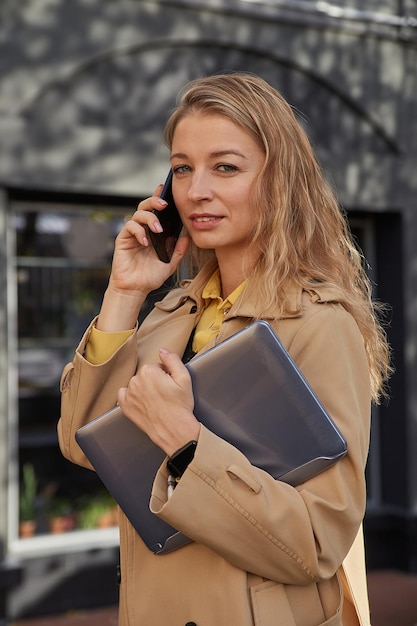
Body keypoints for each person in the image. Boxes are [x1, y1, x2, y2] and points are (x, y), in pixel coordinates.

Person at [58, 72, 391, 626]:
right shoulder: (169, 314)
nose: (195, 191)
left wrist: (186, 443)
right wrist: (124, 293)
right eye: (182, 167)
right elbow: (83, 443)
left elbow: (318, 541)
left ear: (280, 182)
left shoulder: (318, 323)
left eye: (226, 167)